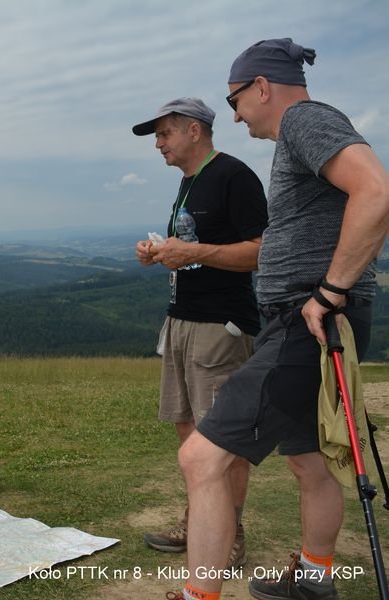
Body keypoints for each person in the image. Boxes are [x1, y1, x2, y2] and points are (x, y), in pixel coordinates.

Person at [172, 38, 389, 600]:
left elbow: (376, 190)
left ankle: (200, 595)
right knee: (309, 463)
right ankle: (315, 580)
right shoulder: (301, 131)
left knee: (201, 457)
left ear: (262, 87)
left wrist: (330, 291)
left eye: (236, 101)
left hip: (307, 321)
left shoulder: (304, 120)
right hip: (303, 318)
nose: (235, 115)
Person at [132, 97, 268, 568]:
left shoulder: (234, 176)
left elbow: (260, 251)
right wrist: (160, 253)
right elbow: (194, 249)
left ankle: (231, 533)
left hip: (221, 326)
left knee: (221, 436)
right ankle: (200, 522)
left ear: (194, 130)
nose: (158, 144)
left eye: (164, 133)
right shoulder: (190, 182)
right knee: (189, 428)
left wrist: (193, 251)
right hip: (183, 319)